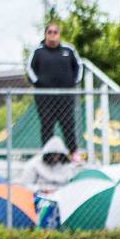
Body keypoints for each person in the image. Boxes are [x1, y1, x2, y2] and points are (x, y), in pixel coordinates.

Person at [26, 21, 82, 156]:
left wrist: (73, 82)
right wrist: (39, 83)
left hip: (65, 97)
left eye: (55, 32)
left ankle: (73, 154)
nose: (52, 35)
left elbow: (79, 67)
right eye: (49, 32)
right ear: (45, 34)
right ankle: (47, 155)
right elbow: (29, 69)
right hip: (44, 98)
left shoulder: (69, 50)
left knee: (68, 124)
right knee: (47, 125)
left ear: (59, 34)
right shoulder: (38, 51)